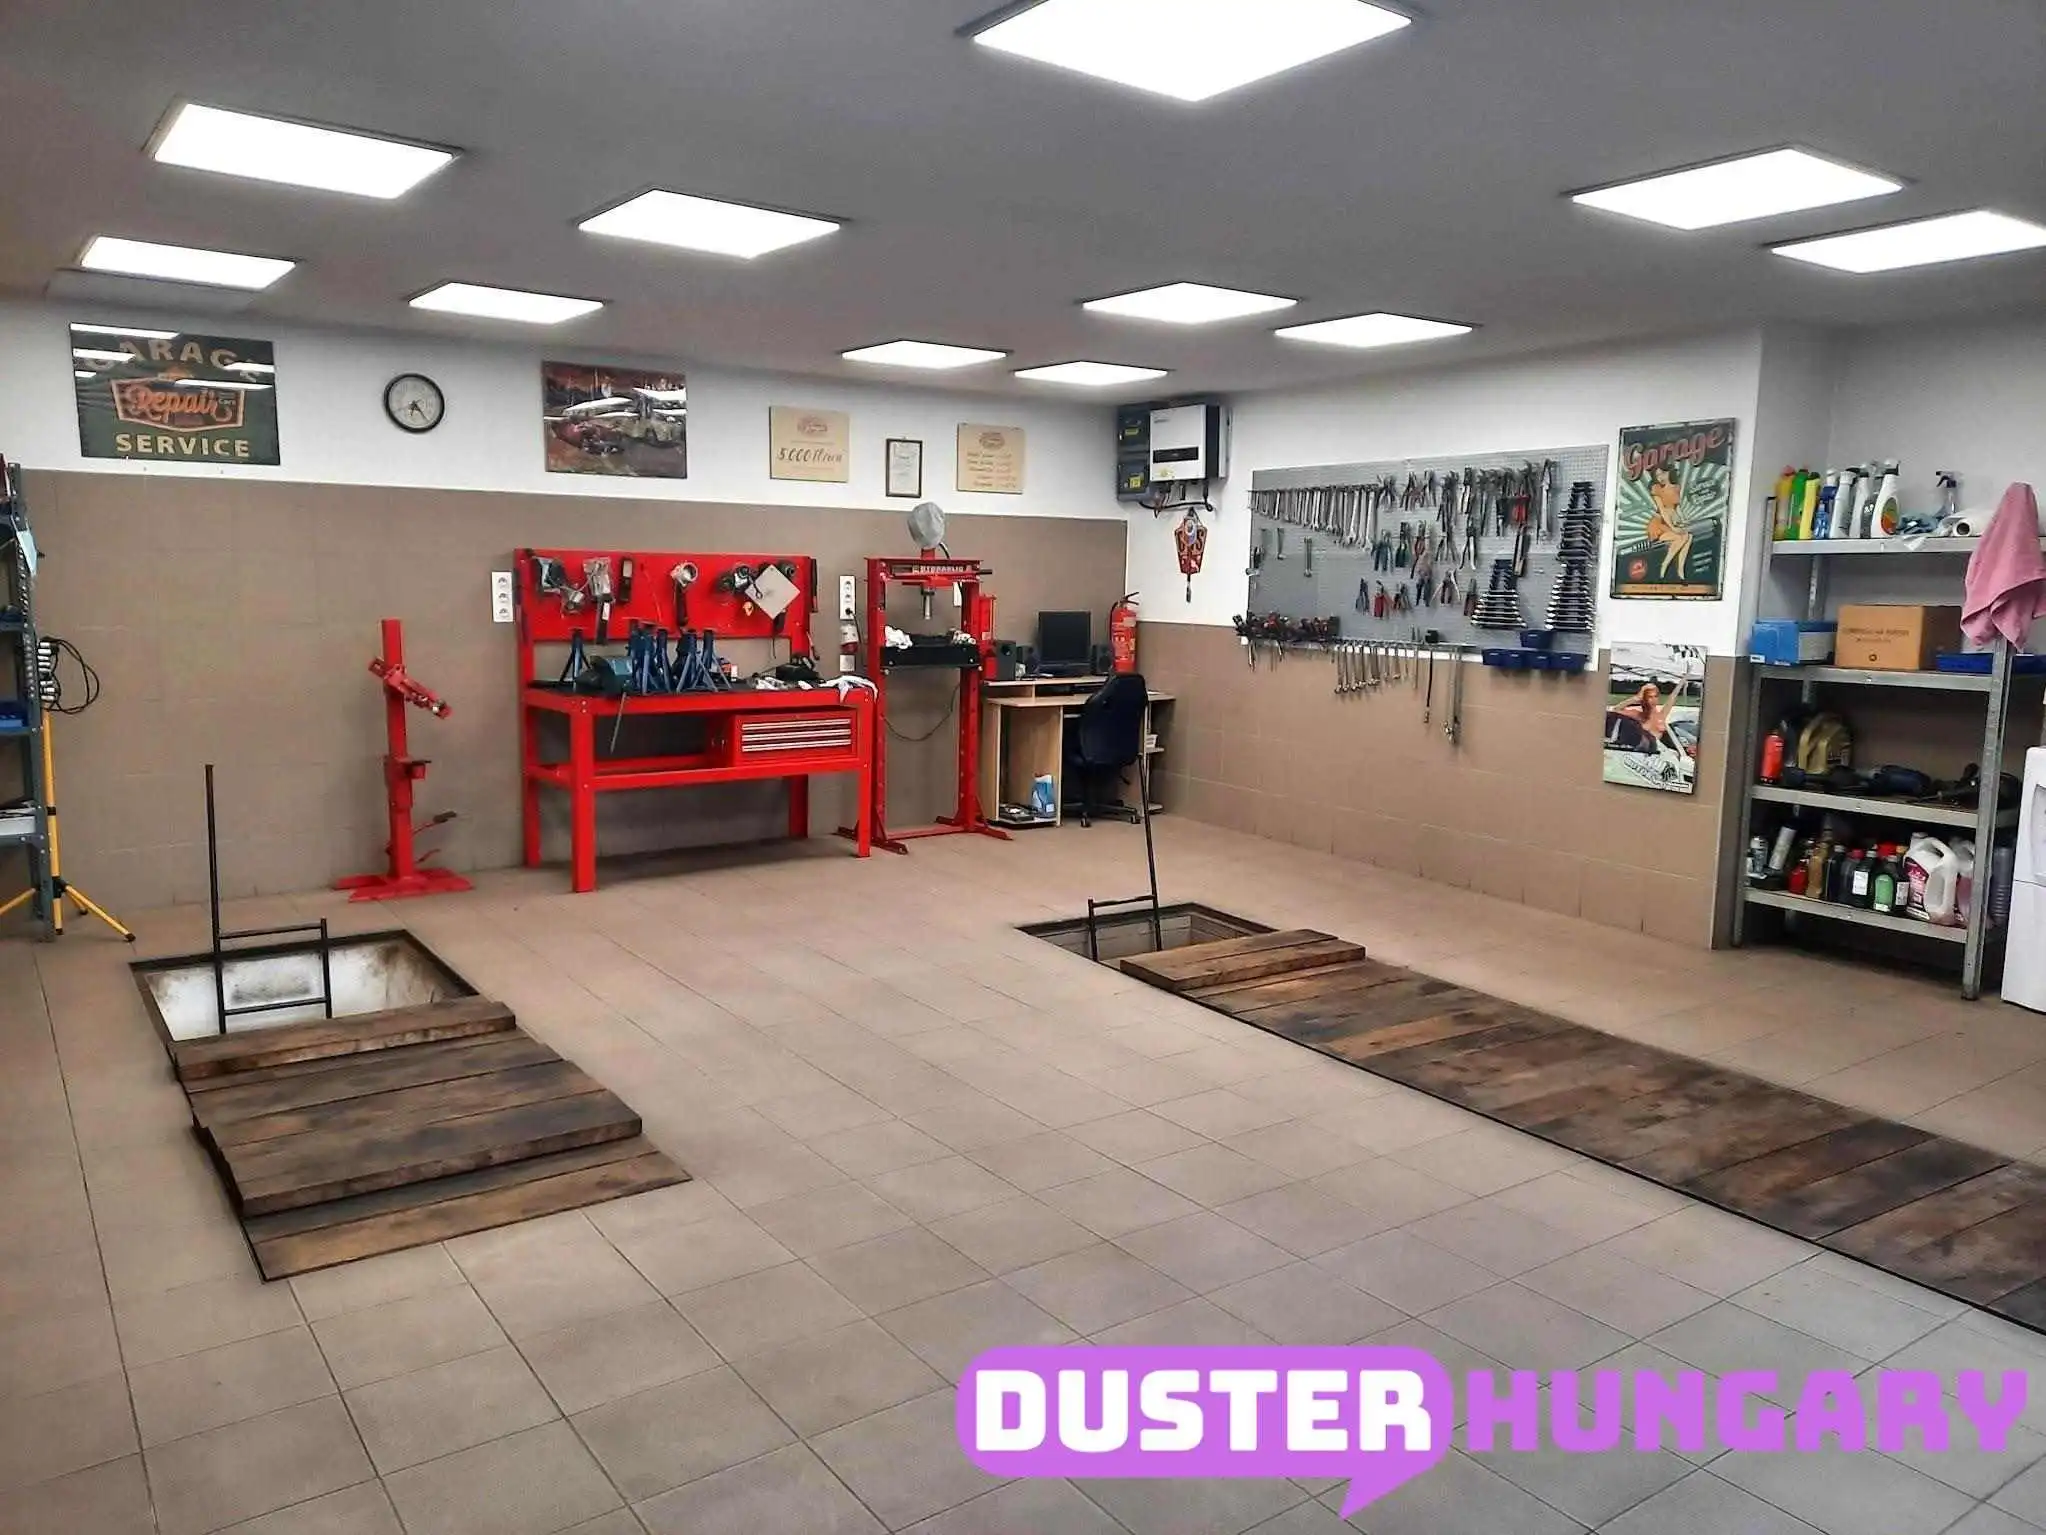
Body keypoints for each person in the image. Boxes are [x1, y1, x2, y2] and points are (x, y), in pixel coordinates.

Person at [1647, 467, 1694, 581]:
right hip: (1658, 524)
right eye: (1657, 476)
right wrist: (1673, 527)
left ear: (1669, 472)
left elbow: (1676, 507)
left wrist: (1683, 519)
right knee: (1681, 537)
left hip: (1670, 523)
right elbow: (1663, 510)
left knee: (1689, 537)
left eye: (1662, 473)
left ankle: (1680, 570)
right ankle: (1664, 565)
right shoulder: (1657, 489)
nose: (1660, 478)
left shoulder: (1676, 487)